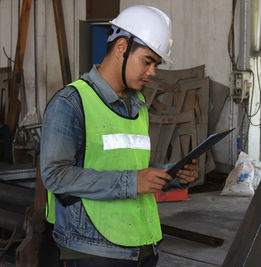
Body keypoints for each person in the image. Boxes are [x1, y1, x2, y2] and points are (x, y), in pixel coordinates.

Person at [40, 5, 199, 267]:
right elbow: (55, 176)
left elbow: (126, 165)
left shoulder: (138, 105)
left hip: (143, 241)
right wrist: (131, 182)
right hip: (93, 248)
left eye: (156, 64)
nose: (152, 72)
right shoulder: (71, 102)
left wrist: (171, 175)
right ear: (122, 47)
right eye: (147, 61)